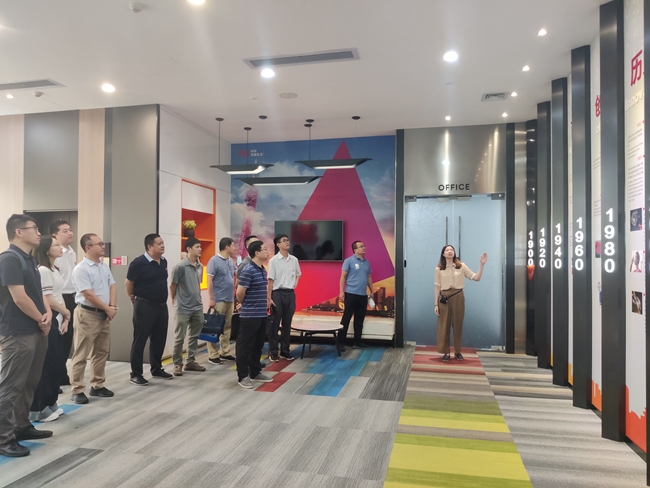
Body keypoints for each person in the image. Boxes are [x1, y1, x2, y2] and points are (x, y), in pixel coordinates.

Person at [0, 214, 53, 458]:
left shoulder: (29, 260)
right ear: (18, 232)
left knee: (29, 383)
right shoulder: (9, 259)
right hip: (18, 332)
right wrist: (41, 318)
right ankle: (4, 437)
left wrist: (47, 314)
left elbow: (38, 293)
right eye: (34, 228)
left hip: (35, 329)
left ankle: (21, 426)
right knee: (11, 386)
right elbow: (19, 298)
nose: (39, 232)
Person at [69, 233, 117, 404]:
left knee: (101, 351)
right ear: (88, 248)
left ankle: (97, 385)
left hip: (104, 314)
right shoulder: (81, 269)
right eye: (99, 244)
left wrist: (112, 306)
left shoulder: (103, 266)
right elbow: (88, 294)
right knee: (81, 353)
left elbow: (112, 286)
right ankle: (77, 389)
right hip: (87, 314)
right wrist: (107, 308)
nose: (103, 246)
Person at [29, 237, 70, 422]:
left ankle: (51, 403)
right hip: (51, 317)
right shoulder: (43, 270)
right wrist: (66, 312)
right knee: (48, 364)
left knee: (57, 363)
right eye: (56, 245)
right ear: (46, 249)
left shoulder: (54, 269)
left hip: (59, 318)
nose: (60, 247)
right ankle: (39, 408)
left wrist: (65, 317)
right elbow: (49, 299)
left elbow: (59, 295)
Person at [125, 234, 172, 386]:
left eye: (163, 243)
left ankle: (156, 369)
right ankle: (136, 374)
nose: (163, 245)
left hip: (161, 306)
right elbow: (128, 283)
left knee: (159, 339)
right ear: (149, 247)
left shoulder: (163, 261)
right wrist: (133, 298)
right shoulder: (138, 263)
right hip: (145, 305)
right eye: (159, 243)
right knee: (140, 340)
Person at [434, 245, 487, 361]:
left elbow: (476, 278)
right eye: (447, 250)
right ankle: (446, 352)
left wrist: (481, 265)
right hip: (444, 298)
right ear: (443, 254)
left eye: (451, 250)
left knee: (458, 325)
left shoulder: (461, 266)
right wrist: (436, 304)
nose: (450, 251)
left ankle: (458, 351)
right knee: (444, 326)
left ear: (454, 253)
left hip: (458, 297)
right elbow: (437, 287)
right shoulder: (439, 269)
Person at [235, 240, 273, 388]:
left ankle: (255, 372)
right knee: (245, 347)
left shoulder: (262, 269)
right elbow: (239, 293)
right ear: (257, 253)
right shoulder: (248, 270)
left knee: (258, 346)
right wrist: (246, 304)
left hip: (261, 314)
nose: (267, 252)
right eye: (264, 249)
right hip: (249, 315)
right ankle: (243, 376)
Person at [170, 237, 206, 376]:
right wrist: (174, 299)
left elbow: (197, 285)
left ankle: (190, 361)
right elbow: (173, 285)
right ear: (189, 249)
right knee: (179, 337)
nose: (200, 249)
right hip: (183, 307)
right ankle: (177, 364)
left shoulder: (200, 266)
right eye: (197, 247)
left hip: (197, 306)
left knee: (194, 336)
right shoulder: (180, 267)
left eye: (200, 246)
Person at [267, 234, 301, 362]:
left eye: (288, 240)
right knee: (275, 323)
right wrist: (269, 297)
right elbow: (270, 280)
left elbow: (298, 274)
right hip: (277, 293)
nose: (287, 242)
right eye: (284, 241)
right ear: (278, 245)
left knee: (287, 323)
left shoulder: (294, 260)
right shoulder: (273, 261)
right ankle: (273, 351)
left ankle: (285, 350)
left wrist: (294, 284)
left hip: (290, 293)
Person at [51, 219, 76, 386]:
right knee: (58, 338)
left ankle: (61, 373)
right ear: (55, 235)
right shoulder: (55, 254)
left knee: (68, 339)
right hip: (59, 298)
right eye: (65, 231)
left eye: (70, 229)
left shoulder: (71, 252)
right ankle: (56, 375)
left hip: (72, 297)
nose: (70, 233)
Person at [206, 237, 238, 365]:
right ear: (226, 247)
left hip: (229, 298)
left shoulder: (230, 261)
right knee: (214, 327)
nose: (234, 248)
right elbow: (209, 281)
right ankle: (212, 355)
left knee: (227, 327)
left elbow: (236, 274)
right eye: (233, 245)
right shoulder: (214, 261)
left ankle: (225, 352)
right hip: (218, 299)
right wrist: (211, 298)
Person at [338, 241, 374, 350]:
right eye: (361, 246)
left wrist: (371, 290)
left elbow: (368, 277)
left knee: (359, 320)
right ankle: (340, 342)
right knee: (346, 318)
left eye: (364, 246)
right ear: (355, 250)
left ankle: (357, 342)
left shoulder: (367, 262)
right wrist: (341, 292)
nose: (364, 247)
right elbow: (343, 277)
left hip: (363, 295)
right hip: (351, 293)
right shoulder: (349, 261)